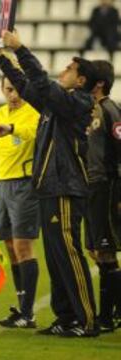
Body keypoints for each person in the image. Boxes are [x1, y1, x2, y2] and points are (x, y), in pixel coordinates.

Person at [0, 31, 99, 337]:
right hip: (50, 188)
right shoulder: (58, 105)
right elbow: (27, 85)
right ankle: (66, 318)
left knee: (69, 254)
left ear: (81, 81)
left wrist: (20, 49)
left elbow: (40, 82)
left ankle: (86, 320)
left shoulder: (77, 102)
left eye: (69, 69)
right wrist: (1, 59)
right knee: (55, 258)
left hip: (66, 188)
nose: (63, 71)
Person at [0, 76, 40, 328]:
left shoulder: (34, 111)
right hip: (4, 185)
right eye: (7, 90)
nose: (11, 94)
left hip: (25, 184)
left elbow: (33, 133)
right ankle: (21, 308)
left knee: (23, 246)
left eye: (15, 90)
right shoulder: (0, 112)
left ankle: (29, 313)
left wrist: (12, 129)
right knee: (10, 248)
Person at [85, 60, 121, 332]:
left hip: (106, 186)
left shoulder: (111, 110)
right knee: (94, 248)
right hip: (89, 186)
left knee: (105, 250)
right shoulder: (88, 109)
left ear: (98, 83)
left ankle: (107, 318)